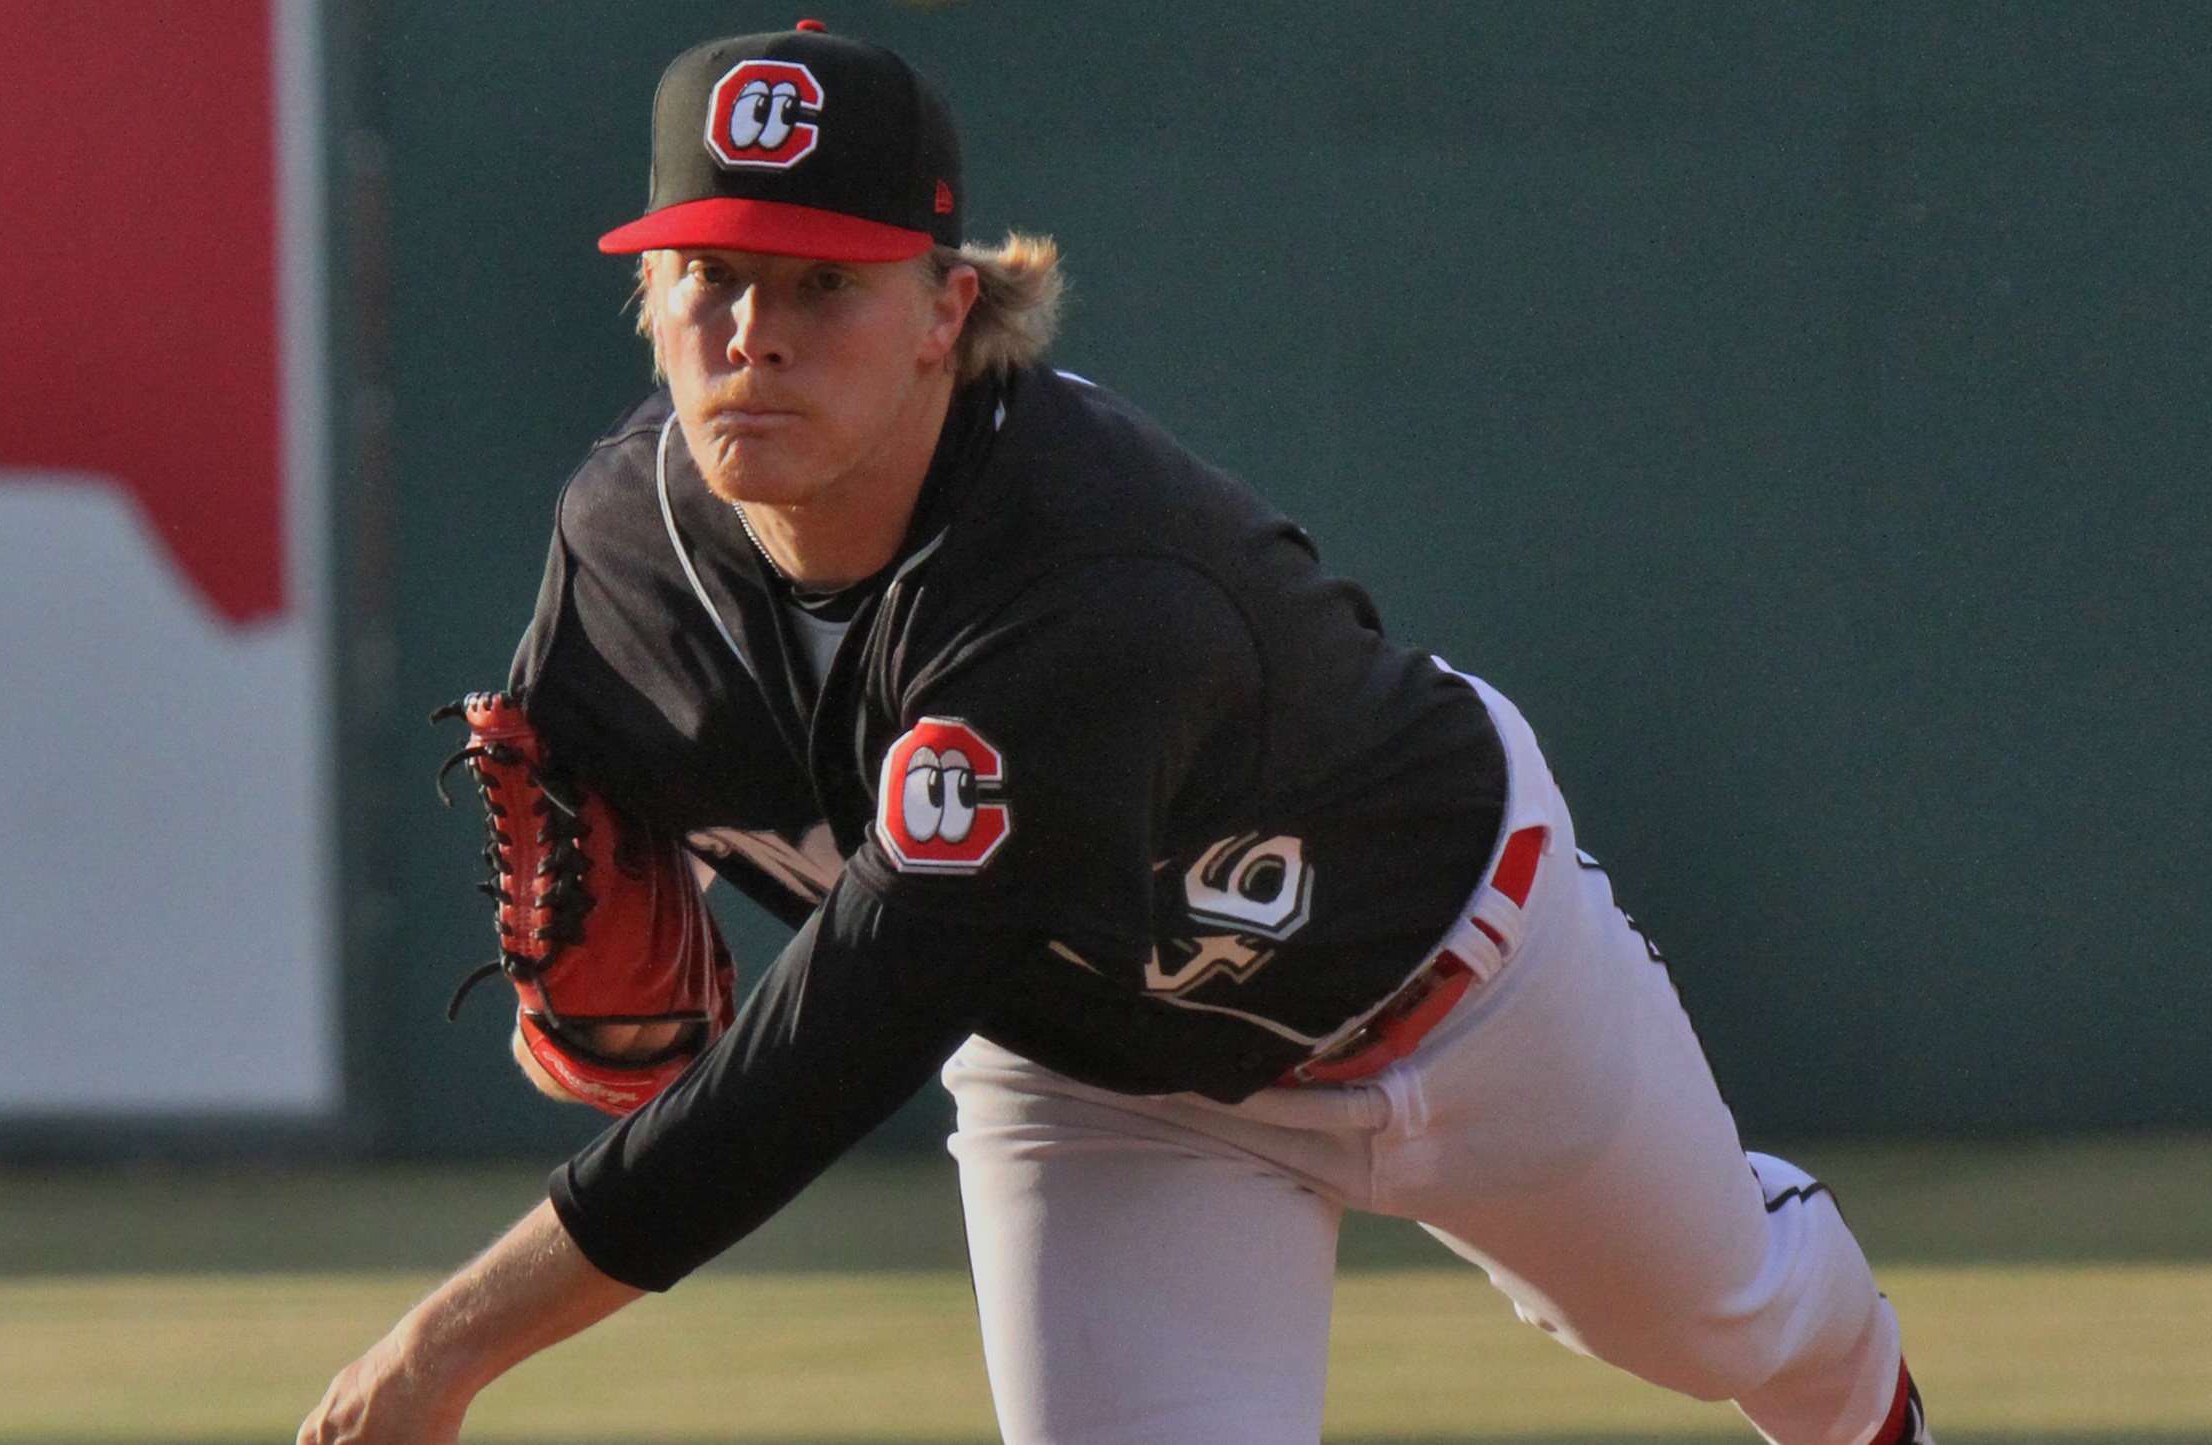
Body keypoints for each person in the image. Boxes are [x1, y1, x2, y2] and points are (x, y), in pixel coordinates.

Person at [302, 22, 1931, 1445]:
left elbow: (829, 1051)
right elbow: (584, 837)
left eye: (822, 283)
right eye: (710, 277)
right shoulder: (619, 555)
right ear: (648, 303)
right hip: (1104, 1083)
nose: (755, 331)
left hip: (1458, 984)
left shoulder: (1088, 581)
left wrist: (445, 1349)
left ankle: (1860, 1386)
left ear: (948, 309)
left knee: (1724, 1323)